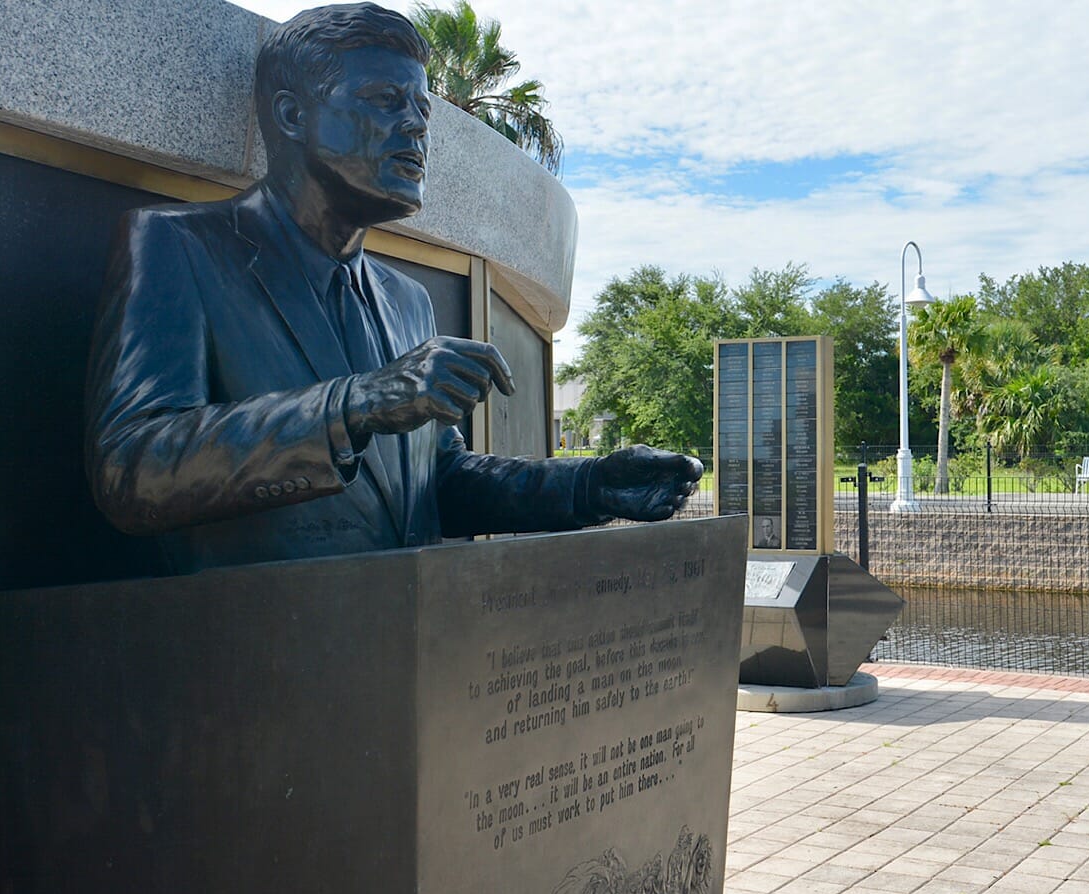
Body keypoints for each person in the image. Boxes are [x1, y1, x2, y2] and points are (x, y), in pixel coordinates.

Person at [84, 3, 699, 573]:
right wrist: (357, 404)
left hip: (409, 640)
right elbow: (132, 467)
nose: (415, 127)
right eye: (384, 100)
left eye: (422, 110)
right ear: (293, 115)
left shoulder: (407, 302)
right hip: (253, 645)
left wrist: (588, 485)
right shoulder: (178, 247)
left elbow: (440, 480)